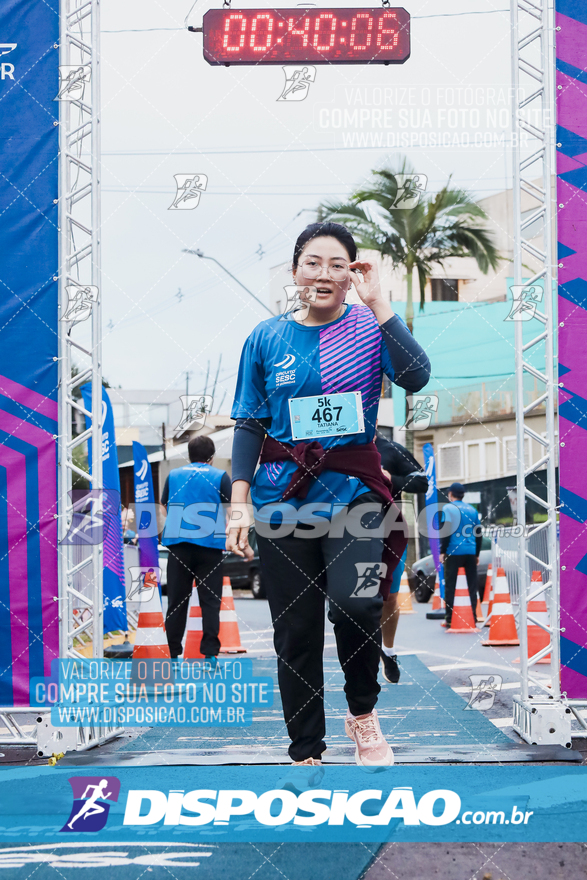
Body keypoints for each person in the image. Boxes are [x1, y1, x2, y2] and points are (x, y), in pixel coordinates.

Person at [227, 221, 430, 767]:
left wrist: (380, 304)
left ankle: (363, 714)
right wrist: (241, 500)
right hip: (280, 499)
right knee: (295, 628)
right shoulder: (266, 337)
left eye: (337, 264)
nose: (323, 274)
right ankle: (305, 748)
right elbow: (248, 423)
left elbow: (416, 377)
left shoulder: (367, 328)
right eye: (312, 263)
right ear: (295, 272)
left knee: (356, 603)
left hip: (355, 494)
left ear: (351, 273)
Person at [161, 435, 231, 659]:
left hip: (178, 546)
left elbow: (164, 505)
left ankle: (172, 651)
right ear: (211, 458)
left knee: (177, 602)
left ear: (189, 455)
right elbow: (232, 510)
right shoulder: (221, 476)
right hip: (210, 547)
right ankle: (210, 652)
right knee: (210, 601)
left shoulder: (173, 475)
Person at [375, 432, 428, 683]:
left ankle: (388, 651)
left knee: (390, 596)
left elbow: (422, 482)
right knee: (358, 596)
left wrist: (391, 479)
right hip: (349, 529)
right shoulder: (340, 444)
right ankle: (364, 652)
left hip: (390, 528)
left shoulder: (390, 449)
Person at [439, 482, 482, 627]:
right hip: (470, 551)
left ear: (451, 494)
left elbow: (446, 531)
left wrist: (442, 551)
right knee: (472, 586)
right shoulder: (472, 510)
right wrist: (476, 554)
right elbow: (479, 533)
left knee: (450, 585)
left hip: (453, 551)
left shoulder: (448, 508)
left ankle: (450, 618)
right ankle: (473, 617)